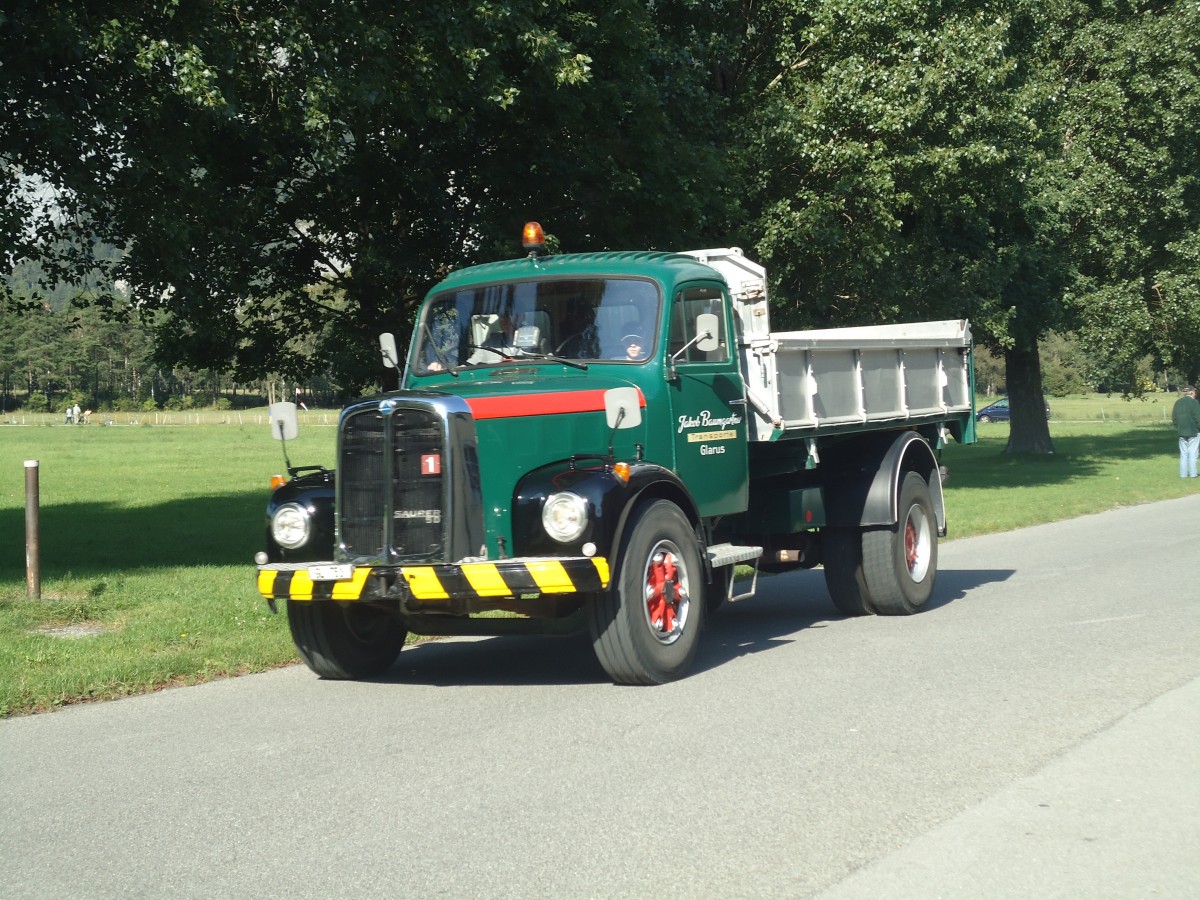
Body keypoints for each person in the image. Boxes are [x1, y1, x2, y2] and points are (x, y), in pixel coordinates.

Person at [1171, 384, 1200, 478]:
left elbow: (1174, 418)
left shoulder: (1178, 402)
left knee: (1183, 453)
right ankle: (1193, 474)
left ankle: (1183, 474)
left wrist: (1178, 427)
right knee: (1193, 453)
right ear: (1192, 392)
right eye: (1195, 392)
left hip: (1181, 431)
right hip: (1194, 431)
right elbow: (1198, 418)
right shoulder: (1194, 403)